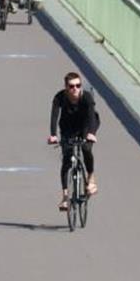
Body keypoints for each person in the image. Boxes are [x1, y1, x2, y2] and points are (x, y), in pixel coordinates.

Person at [47, 72, 100, 211]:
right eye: (71, 86)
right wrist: (53, 135)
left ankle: (91, 178)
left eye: (78, 85)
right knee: (67, 160)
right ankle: (65, 197)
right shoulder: (60, 97)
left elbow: (91, 116)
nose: (75, 89)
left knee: (86, 149)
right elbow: (54, 116)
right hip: (68, 127)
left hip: (86, 126)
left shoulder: (86, 97)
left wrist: (91, 133)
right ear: (66, 88)